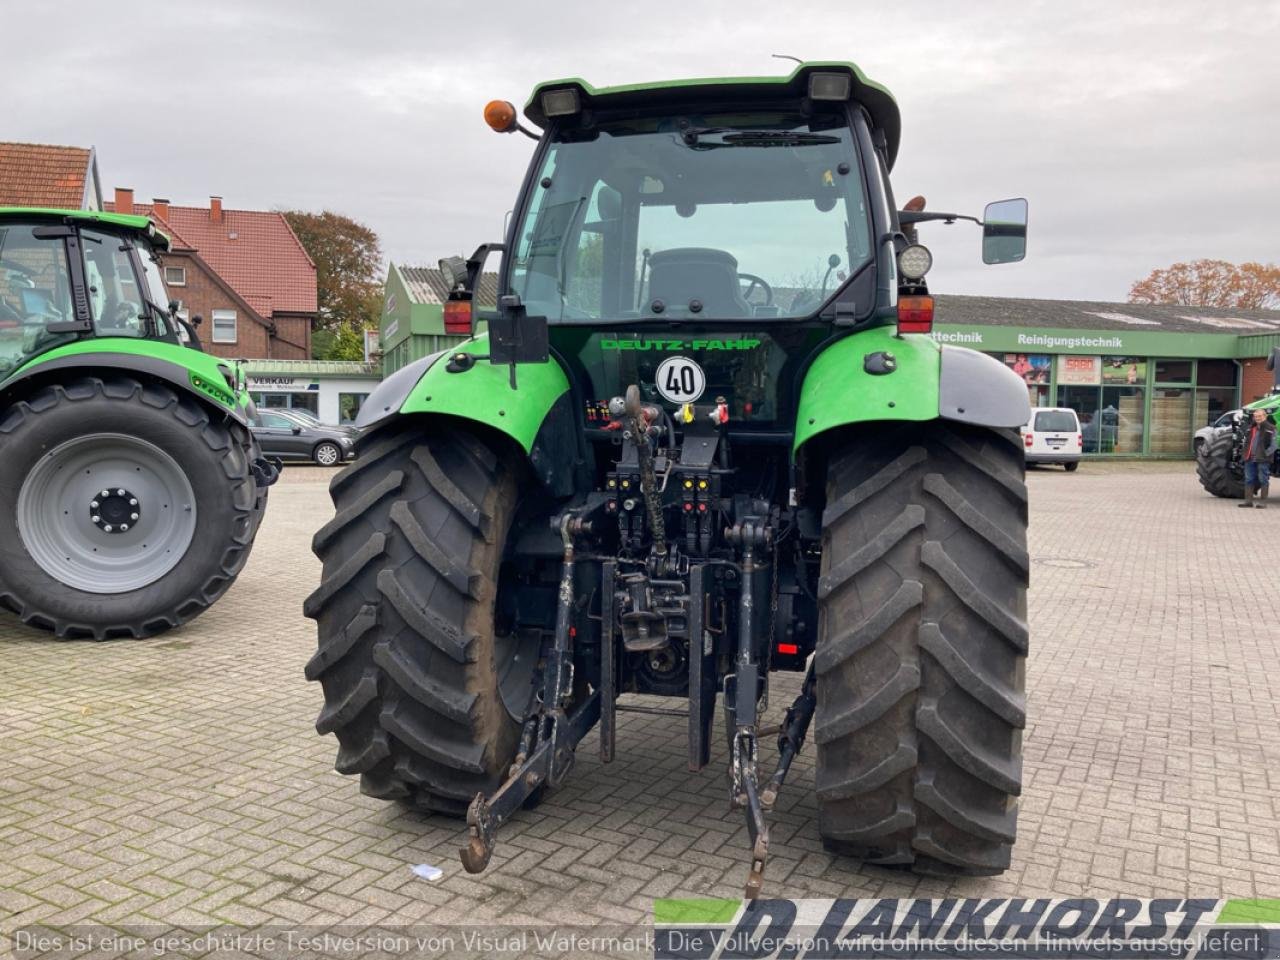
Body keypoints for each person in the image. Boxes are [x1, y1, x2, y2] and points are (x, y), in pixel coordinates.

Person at [1238, 408, 1277, 508]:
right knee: (1249, 479)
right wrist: (1244, 453)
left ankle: (1263, 502)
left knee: (1263, 479)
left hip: (1263, 459)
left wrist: (1265, 454)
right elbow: (1246, 442)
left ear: (1265, 416)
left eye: (1260, 416)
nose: (1257, 418)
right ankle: (1248, 501)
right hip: (1249, 458)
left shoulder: (1271, 428)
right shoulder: (1250, 428)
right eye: (1256, 417)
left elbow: (1274, 446)